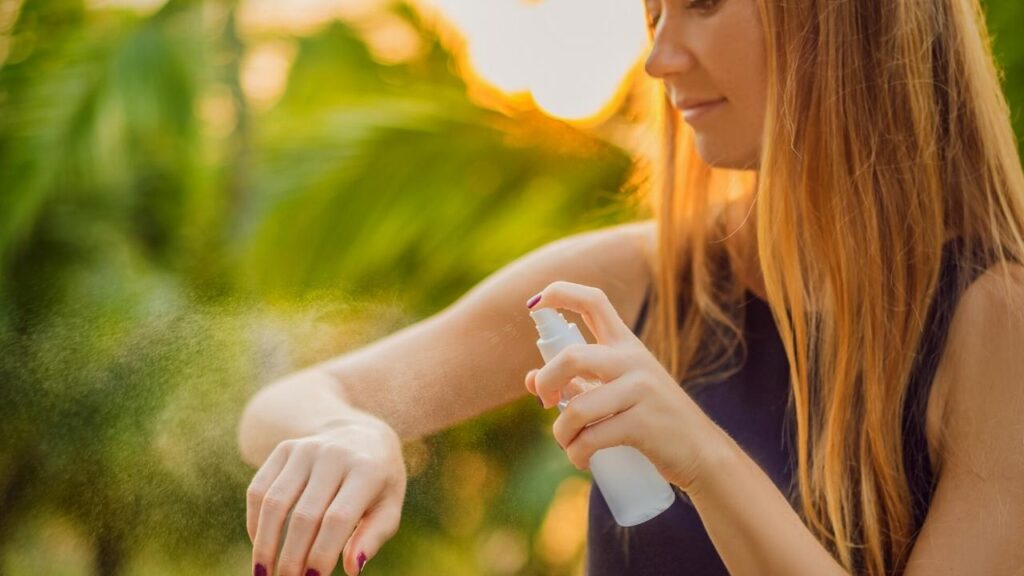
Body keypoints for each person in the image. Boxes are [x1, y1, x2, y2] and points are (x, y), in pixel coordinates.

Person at [237, 0, 1024, 574]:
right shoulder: (635, 285)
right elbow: (288, 404)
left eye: (702, 5)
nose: (657, 57)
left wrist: (704, 462)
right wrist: (352, 433)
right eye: (653, 13)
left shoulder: (997, 326)